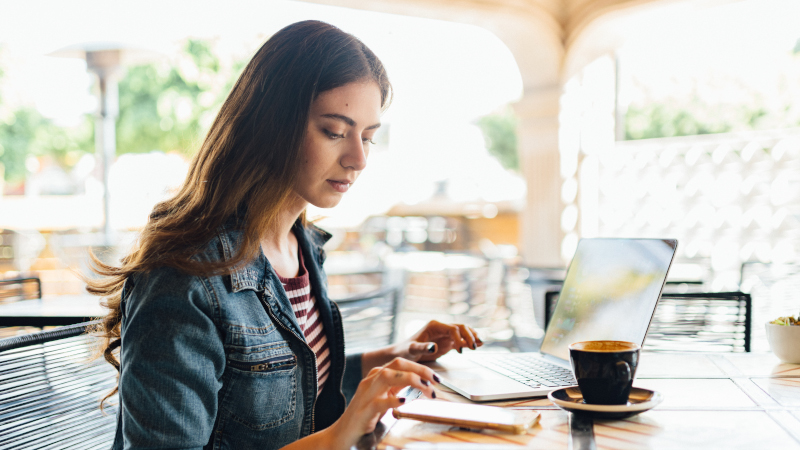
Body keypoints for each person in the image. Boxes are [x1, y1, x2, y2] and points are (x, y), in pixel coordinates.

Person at [88, 20, 482, 450]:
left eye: (367, 137)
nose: (358, 159)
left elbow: (285, 389)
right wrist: (339, 436)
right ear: (271, 123)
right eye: (334, 131)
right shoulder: (185, 275)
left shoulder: (302, 245)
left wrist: (394, 357)